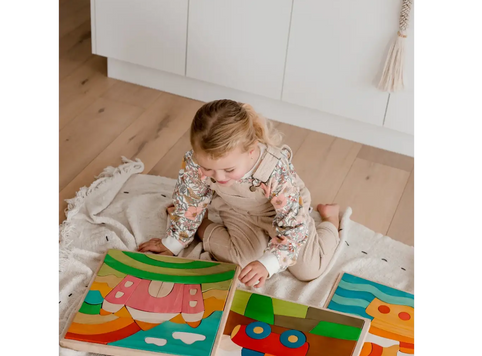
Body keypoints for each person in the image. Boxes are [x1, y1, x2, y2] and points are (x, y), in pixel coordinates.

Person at [138, 99, 340, 288]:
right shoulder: (195, 162)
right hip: (236, 209)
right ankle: (202, 225)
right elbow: (191, 199)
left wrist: (269, 264)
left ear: (251, 151)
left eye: (228, 170)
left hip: (280, 213)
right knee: (243, 264)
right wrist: (174, 242)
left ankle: (331, 220)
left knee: (310, 269)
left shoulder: (274, 169)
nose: (218, 178)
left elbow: (293, 225)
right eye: (208, 169)